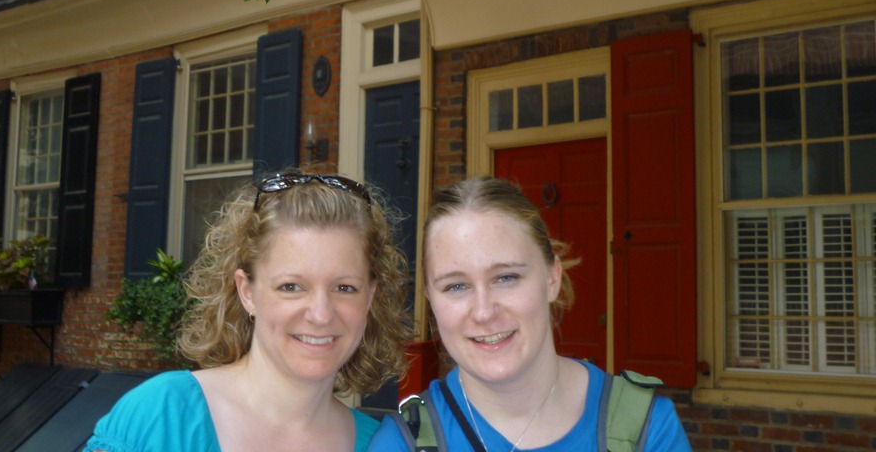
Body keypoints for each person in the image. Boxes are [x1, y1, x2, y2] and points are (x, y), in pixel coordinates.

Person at [86, 170, 411, 452]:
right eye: (291, 286)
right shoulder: (164, 416)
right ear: (247, 292)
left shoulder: (383, 444)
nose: (321, 314)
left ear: (370, 297)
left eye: (345, 288)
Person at [369, 176, 692, 452]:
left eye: (506, 278)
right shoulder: (403, 443)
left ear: (552, 278)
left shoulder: (644, 428)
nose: (483, 311)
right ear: (431, 299)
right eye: (456, 286)